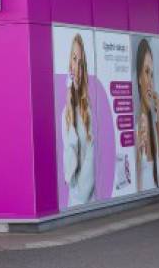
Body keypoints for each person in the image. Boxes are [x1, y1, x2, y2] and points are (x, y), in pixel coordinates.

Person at [61, 34, 95, 205]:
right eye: (74, 59)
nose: (76, 68)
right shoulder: (65, 114)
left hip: (86, 201)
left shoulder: (89, 112)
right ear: (69, 64)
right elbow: (69, 166)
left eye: (81, 63)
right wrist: (70, 110)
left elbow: (91, 165)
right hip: (73, 202)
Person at [136, 38, 159, 189]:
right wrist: (137, 151)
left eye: (152, 75)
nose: (150, 81)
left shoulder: (154, 127)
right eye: (146, 72)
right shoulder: (136, 130)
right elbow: (136, 189)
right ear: (139, 78)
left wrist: (158, 119)